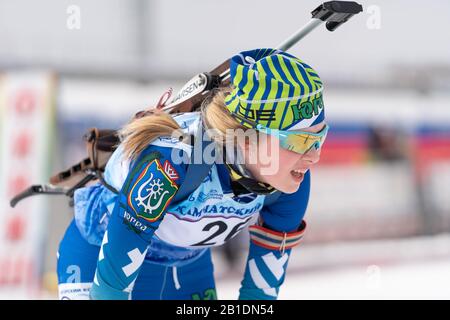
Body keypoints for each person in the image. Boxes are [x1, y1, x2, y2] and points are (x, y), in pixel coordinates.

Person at [56, 48, 328, 300]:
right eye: (300, 142)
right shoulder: (172, 162)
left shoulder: (289, 181)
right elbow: (111, 285)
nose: (314, 156)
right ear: (248, 138)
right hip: (100, 256)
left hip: (186, 267)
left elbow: (259, 295)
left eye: (320, 139)